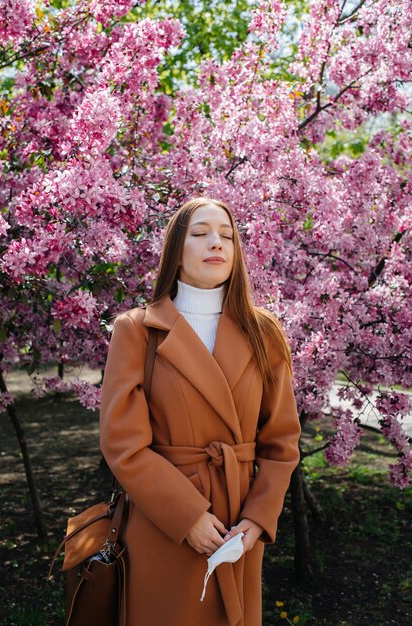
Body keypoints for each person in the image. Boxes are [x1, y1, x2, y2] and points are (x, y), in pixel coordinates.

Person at [99, 196, 301, 626]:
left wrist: (257, 520)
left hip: (238, 527)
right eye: (201, 233)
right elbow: (123, 445)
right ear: (176, 250)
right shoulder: (137, 329)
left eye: (227, 236)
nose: (217, 243)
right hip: (164, 522)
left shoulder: (263, 332)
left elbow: (282, 443)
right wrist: (186, 516)